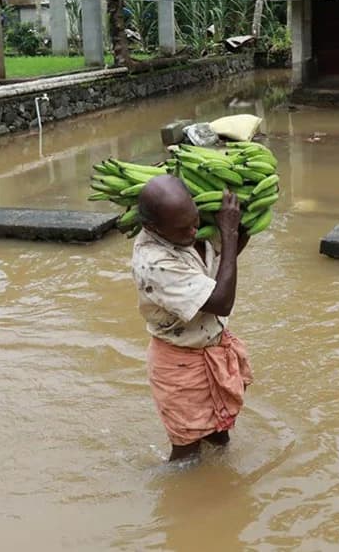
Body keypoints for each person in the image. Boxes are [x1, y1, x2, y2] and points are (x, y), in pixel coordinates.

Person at [131, 175, 252, 461]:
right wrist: (229, 233)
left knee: (220, 435)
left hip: (212, 347)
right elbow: (221, 302)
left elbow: (225, 258)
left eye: (195, 221)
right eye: (183, 228)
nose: (194, 231)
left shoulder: (188, 229)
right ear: (152, 227)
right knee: (187, 453)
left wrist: (239, 225)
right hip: (180, 361)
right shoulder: (154, 263)